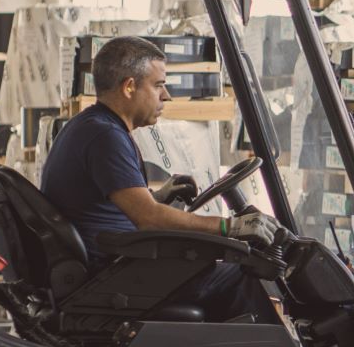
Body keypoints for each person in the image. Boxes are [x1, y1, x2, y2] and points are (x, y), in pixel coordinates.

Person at [39, 35, 278, 322]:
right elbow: (149, 219)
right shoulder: (105, 136)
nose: (166, 96)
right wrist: (230, 226)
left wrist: (159, 197)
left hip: (117, 263)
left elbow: (127, 206)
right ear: (129, 87)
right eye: (159, 85)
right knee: (242, 273)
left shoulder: (90, 126)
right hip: (115, 275)